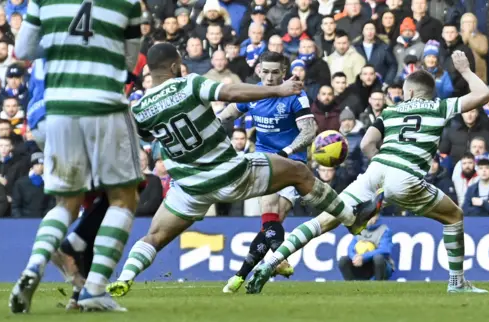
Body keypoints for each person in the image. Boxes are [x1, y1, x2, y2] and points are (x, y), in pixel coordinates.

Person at [106, 44, 378, 298]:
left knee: (154, 236)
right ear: (177, 67)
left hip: (189, 187)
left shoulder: (139, 107)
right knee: (299, 171)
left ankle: (125, 277)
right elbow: (232, 93)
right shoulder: (189, 83)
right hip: (229, 173)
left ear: (149, 71)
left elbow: (144, 139)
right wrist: (278, 90)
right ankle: (350, 219)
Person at [246, 51, 489, 294]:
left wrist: (384, 165)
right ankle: (457, 283)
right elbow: (483, 95)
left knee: (322, 221)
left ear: (411, 92)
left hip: (376, 171)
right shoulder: (439, 107)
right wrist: (465, 70)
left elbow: (366, 145)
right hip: (406, 176)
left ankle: (269, 264)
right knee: (454, 216)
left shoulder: (390, 112)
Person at [10, 0, 145, 313]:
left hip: (57, 111)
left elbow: (25, 49)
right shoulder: (128, 3)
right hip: (105, 106)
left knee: (66, 203)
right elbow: (128, 61)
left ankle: (34, 267)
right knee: (123, 197)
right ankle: (94, 288)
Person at [219, 51, 318, 293]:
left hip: (292, 162)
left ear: (283, 73)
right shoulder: (252, 95)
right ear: (258, 72)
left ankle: (247, 272)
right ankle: (259, 268)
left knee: (272, 221)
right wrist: (211, 132)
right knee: (269, 215)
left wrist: (286, 151)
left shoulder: (296, 95)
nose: (271, 77)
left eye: (276, 72)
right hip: (264, 158)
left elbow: (309, 131)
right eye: (266, 72)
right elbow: (226, 115)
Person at [338, 215, 394, 281]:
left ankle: (378, 284)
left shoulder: (385, 230)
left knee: (378, 258)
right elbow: (350, 248)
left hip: (381, 266)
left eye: (371, 216)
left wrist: (363, 257)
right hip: (362, 264)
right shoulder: (360, 230)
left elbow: (385, 250)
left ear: (376, 217)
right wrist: (355, 257)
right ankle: (350, 285)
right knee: (343, 260)